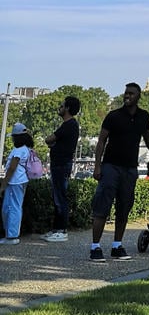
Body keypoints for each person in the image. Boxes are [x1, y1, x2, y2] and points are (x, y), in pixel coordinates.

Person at [89, 82, 149, 262]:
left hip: (130, 168)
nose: (127, 96)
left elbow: (148, 138)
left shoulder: (144, 116)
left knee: (124, 207)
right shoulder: (113, 116)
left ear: (138, 96)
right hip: (111, 166)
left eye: (131, 93)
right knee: (102, 207)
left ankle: (116, 245)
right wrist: (97, 166)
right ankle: (95, 246)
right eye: (125, 93)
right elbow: (101, 142)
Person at [43, 95, 81, 242]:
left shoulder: (68, 125)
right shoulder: (70, 125)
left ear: (68, 108)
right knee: (57, 196)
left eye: (62, 105)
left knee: (60, 197)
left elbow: (49, 139)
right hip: (60, 163)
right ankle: (56, 229)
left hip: (61, 164)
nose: (59, 107)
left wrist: (53, 144)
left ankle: (61, 230)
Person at [0, 123, 33, 245]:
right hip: (20, 180)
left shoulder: (18, 150)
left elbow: (12, 168)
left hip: (15, 181)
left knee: (12, 208)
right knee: (12, 207)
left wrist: (3, 185)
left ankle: (12, 236)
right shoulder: (25, 149)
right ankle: (11, 234)